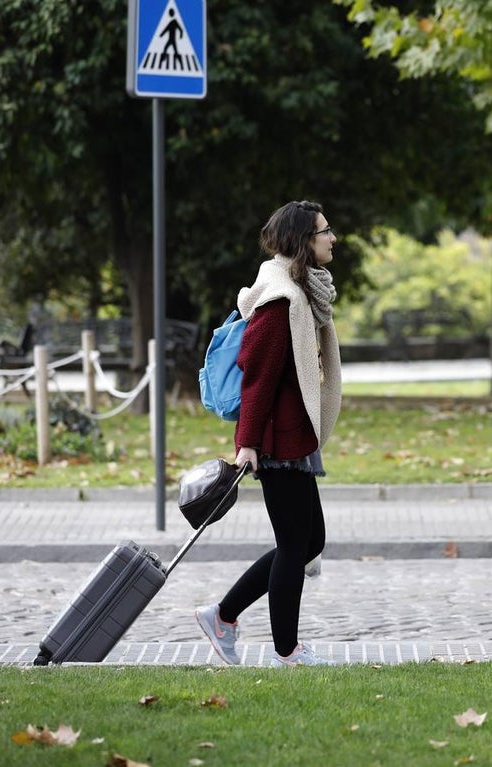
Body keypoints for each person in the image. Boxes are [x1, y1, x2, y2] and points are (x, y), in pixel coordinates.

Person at [196, 200, 342, 667]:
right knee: (296, 544)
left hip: (294, 434)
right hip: (276, 442)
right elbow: (256, 375)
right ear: (304, 241)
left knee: (307, 541)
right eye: (324, 231)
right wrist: (247, 444)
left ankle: (223, 615)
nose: (332, 238)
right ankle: (286, 649)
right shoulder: (282, 301)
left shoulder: (301, 291)